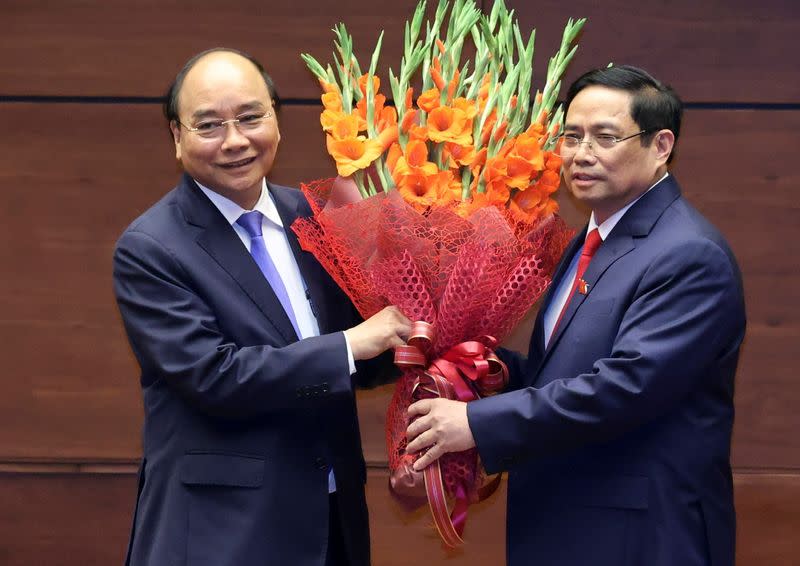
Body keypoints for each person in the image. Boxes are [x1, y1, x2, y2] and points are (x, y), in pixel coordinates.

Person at [406, 65, 746, 565]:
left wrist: (476, 422)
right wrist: (490, 369)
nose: (581, 154)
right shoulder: (591, 238)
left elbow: (625, 387)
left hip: (641, 536)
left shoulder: (689, 254)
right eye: (571, 136)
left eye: (605, 137)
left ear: (661, 145)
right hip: (570, 525)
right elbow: (567, 373)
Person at [113, 47, 410, 566]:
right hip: (223, 534)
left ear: (276, 118)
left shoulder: (318, 218)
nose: (235, 141)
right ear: (177, 138)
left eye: (251, 117)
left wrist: (431, 337)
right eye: (209, 125)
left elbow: (360, 355)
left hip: (333, 521)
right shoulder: (150, 248)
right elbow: (214, 377)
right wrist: (350, 345)